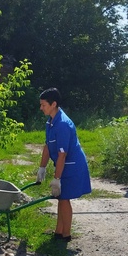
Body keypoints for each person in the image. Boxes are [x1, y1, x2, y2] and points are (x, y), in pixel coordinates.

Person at [36, 87, 91, 242]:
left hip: (72, 165)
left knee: (64, 197)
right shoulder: (51, 122)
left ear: (53, 104)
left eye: (43, 105)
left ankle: (66, 235)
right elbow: (47, 146)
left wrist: (57, 178)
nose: (41, 108)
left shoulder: (63, 124)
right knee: (61, 198)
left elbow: (62, 154)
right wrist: (42, 168)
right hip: (64, 163)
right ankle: (58, 231)